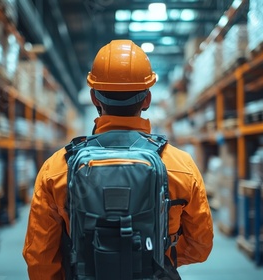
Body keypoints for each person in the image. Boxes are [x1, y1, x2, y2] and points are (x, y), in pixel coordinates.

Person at [23, 39, 213, 280]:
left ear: (94, 98)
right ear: (147, 99)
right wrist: (157, 255)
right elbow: (200, 246)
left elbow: (39, 258)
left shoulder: (57, 168)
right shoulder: (180, 166)